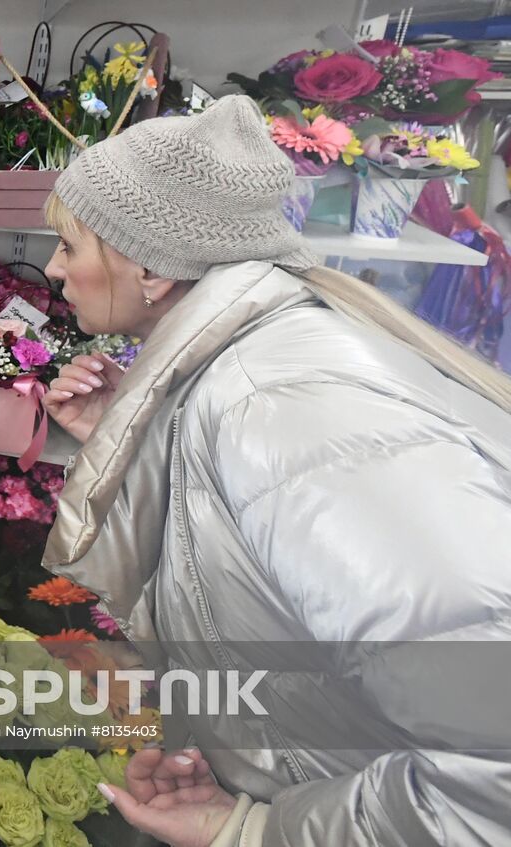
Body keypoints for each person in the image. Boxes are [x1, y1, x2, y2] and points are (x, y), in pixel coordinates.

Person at [38, 95, 511, 846]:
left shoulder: (281, 409)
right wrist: (129, 441)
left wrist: (260, 829)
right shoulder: (253, 368)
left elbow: (495, 753)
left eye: (70, 245)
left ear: (151, 269)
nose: (54, 268)